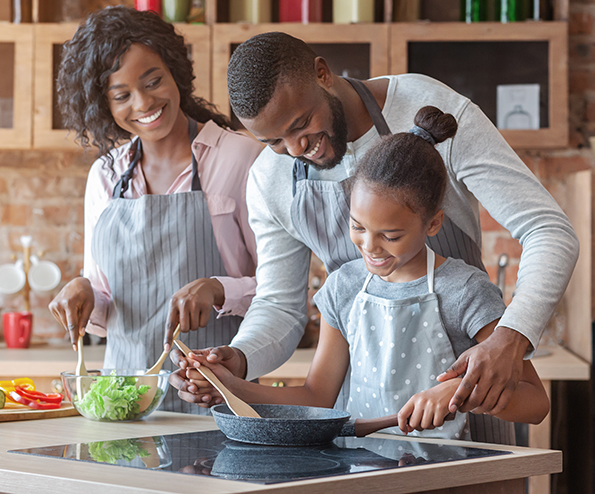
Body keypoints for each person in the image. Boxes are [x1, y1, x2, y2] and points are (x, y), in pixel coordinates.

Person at [169, 32, 577, 442]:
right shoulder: (272, 183)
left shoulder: (427, 109)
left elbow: (548, 229)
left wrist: (510, 338)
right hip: (365, 433)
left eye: (300, 124)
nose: (297, 148)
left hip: (476, 402)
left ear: (323, 74)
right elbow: (279, 305)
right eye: (274, 141)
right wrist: (237, 363)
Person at [48, 7, 262, 414]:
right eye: (121, 95)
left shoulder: (241, 158)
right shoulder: (106, 176)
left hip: (218, 394)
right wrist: (84, 290)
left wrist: (219, 289)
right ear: (102, 104)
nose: (144, 103)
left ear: (175, 70)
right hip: (124, 405)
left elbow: (280, 293)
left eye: (153, 81)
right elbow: (107, 294)